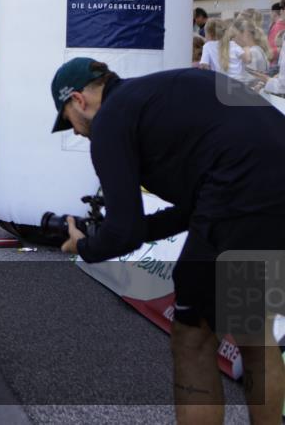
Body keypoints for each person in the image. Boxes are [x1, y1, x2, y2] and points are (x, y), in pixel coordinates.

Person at [51, 57, 285, 425]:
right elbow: (188, 212)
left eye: (68, 121)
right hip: (267, 176)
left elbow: (122, 231)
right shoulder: (152, 98)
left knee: (193, 338)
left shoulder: (111, 121)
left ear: (79, 100)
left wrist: (83, 246)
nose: (76, 132)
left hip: (239, 189)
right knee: (252, 328)